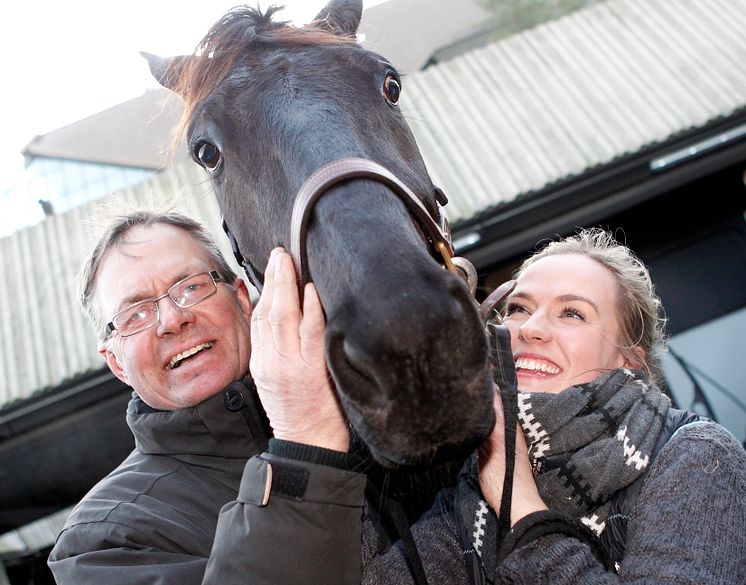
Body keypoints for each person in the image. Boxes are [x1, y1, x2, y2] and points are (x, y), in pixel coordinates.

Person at [252, 227, 746, 584]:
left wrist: (522, 505)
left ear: (630, 361)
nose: (529, 329)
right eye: (519, 308)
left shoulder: (693, 455)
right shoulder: (472, 481)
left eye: (572, 313)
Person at [47, 210, 373, 585]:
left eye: (190, 287)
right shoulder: (99, 545)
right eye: (136, 315)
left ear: (241, 298)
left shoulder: (367, 395)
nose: (172, 320)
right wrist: (303, 441)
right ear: (117, 364)